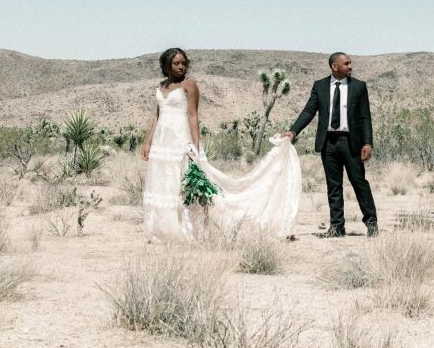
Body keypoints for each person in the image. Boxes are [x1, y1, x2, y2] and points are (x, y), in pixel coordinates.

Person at [141, 48, 302, 243]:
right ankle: (164, 230)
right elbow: (157, 116)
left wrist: (196, 147)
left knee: (182, 184)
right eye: (176, 63)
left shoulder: (189, 85)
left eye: (183, 62)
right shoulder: (161, 86)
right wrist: (149, 141)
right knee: (164, 184)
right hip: (161, 143)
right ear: (166, 65)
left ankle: (187, 231)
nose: (181, 66)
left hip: (180, 141)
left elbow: (193, 116)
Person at [283, 52, 378, 237]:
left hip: (351, 142)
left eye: (350, 63)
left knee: (359, 183)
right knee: (333, 186)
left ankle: (372, 223)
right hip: (329, 142)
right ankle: (337, 227)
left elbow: (365, 117)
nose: (350, 66)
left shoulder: (359, 86)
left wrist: (368, 142)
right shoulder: (320, 86)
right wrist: (293, 131)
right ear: (334, 66)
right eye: (346, 63)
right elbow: (309, 111)